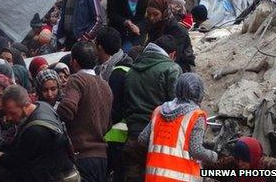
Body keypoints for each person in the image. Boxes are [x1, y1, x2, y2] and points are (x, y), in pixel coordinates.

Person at [0, 85, 75, 182]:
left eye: (12, 113)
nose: (8, 118)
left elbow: (13, 163)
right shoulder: (42, 106)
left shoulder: (35, 130)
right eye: (6, 113)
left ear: (26, 105)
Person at [122, 35, 182, 182]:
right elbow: (177, 106)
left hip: (133, 136)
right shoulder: (171, 68)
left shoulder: (131, 71)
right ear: (172, 54)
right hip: (160, 138)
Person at [139, 73, 217, 181]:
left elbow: (142, 139)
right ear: (199, 94)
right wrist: (213, 156)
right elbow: (196, 150)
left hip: (153, 177)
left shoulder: (159, 111)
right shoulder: (195, 116)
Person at [57, 41, 112, 182]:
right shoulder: (105, 85)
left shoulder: (77, 79)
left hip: (82, 156)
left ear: (73, 62)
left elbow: (67, 109)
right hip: (102, 157)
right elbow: (108, 124)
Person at [94, 27, 132, 182]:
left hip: (117, 137)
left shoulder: (118, 72)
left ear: (100, 47)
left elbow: (115, 108)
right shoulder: (110, 67)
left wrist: (102, 126)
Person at [146, 0, 196, 72]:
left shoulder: (177, 30)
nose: (151, 18)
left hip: (182, 66)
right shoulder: (154, 26)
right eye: (149, 14)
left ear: (164, 12)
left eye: (155, 14)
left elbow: (174, 56)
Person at [206, 137, 276, 182]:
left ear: (253, 158)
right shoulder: (233, 162)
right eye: (238, 159)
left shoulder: (269, 167)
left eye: (245, 160)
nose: (240, 163)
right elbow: (210, 170)